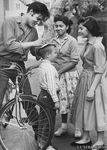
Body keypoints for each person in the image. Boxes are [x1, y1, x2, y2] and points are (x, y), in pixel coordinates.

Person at [0, 1, 50, 111]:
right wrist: (33, 43)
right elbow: (10, 45)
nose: (38, 22)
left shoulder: (33, 31)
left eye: (41, 21)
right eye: (38, 19)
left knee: (28, 98)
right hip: (2, 64)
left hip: (19, 65)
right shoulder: (10, 22)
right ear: (31, 12)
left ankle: (37, 128)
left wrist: (44, 49)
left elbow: (34, 51)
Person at [70, 16, 107, 150]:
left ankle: (100, 140)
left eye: (82, 28)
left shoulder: (97, 46)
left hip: (94, 81)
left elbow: (100, 70)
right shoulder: (88, 43)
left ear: (89, 29)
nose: (79, 31)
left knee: (97, 109)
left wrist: (92, 89)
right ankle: (85, 137)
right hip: (85, 78)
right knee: (84, 108)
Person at [51, 15, 81, 138]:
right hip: (58, 76)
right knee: (62, 102)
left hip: (70, 75)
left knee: (74, 102)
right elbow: (50, 57)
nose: (58, 28)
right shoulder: (53, 41)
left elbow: (74, 60)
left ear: (67, 27)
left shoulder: (72, 40)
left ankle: (78, 127)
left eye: (61, 26)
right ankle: (63, 126)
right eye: (56, 26)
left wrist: (60, 71)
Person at [36, 43, 60, 150]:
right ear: (48, 55)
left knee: (43, 120)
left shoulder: (42, 65)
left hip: (42, 95)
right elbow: (51, 86)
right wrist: (56, 100)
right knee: (49, 121)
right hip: (49, 96)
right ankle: (46, 145)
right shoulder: (50, 68)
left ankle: (41, 142)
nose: (56, 54)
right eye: (55, 52)